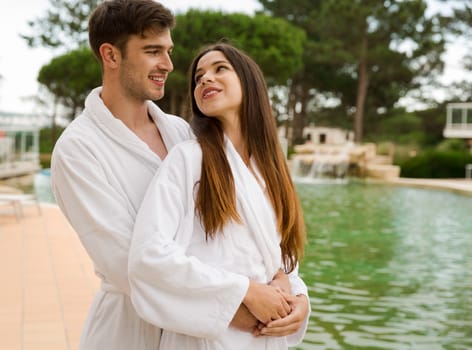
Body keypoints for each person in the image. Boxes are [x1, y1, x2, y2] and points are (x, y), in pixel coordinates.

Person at [51, 1, 309, 349]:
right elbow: (128, 265)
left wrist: (290, 289)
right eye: (153, 51)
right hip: (130, 331)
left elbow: (245, 230)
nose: (169, 65)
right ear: (111, 56)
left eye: (169, 51)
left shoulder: (182, 133)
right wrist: (244, 303)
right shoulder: (78, 149)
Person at [128, 42, 309, 349]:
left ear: (249, 82)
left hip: (263, 338)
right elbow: (149, 255)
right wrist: (245, 292)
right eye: (199, 77)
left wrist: (298, 296)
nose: (205, 79)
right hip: (207, 338)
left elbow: (276, 258)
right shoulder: (188, 159)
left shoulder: (271, 170)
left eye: (219, 69)